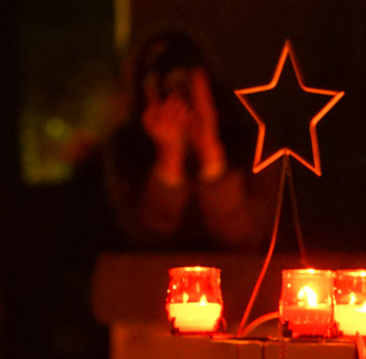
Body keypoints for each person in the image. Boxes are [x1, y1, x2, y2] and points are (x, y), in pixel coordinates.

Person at [100, 30, 270, 250]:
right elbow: (146, 241)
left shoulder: (250, 141)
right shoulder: (125, 149)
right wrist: (169, 157)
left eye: (184, 84)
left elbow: (246, 239)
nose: (176, 97)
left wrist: (210, 154)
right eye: (164, 83)